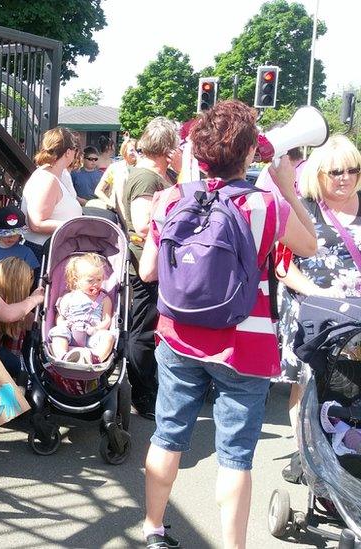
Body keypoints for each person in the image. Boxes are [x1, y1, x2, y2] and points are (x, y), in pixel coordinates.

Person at [136, 100, 317, 549]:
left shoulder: (171, 199)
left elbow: (147, 273)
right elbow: (309, 245)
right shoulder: (265, 205)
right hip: (245, 345)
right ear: (250, 154)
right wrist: (286, 188)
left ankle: (153, 528)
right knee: (236, 457)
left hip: (177, 336)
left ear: (197, 154)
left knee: (168, 434)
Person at [275, 135, 361, 483]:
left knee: (351, 388)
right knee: (308, 385)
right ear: (318, 173)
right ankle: (308, 456)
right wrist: (319, 293)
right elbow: (283, 265)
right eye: (335, 171)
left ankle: (346, 449)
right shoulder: (304, 209)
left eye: (352, 170)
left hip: (357, 316)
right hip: (313, 314)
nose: (345, 177)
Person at [115, 117, 181, 419]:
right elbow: (142, 224)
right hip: (146, 267)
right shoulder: (146, 178)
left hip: (151, 265)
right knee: (141, 333)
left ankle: (145, 390)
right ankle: (142, 395)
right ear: (166, 148)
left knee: (145, 331)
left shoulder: (151, 176)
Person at [21, 127, 82, 263]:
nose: (75, 153)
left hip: (54, 249)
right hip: (43, 253)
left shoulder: (57, 175)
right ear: (68, 152)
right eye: (74, 149)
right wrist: (78, 225)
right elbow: (37, 223)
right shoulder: (47, 179)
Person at [48, 253, 115, 364]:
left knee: (108, 337)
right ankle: (63, 356)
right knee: (57, 332)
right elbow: (60, 316)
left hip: (92, 335)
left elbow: (107, 319)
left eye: (99, 279)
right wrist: (62, 324)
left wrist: (97, 329)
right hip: (70, 333)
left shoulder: (104, 299)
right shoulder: (68, 297)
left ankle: (96, 358)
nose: (96, 284)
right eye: (90, 281)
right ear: (76, 280)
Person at [94, 138, 138, 210]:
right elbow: (98, 190)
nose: (135, 153)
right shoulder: (114, 168)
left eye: (137, 150)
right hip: (118, 211)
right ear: (124, 151)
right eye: (132, 150)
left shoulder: (143, 168)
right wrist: (110, 203)